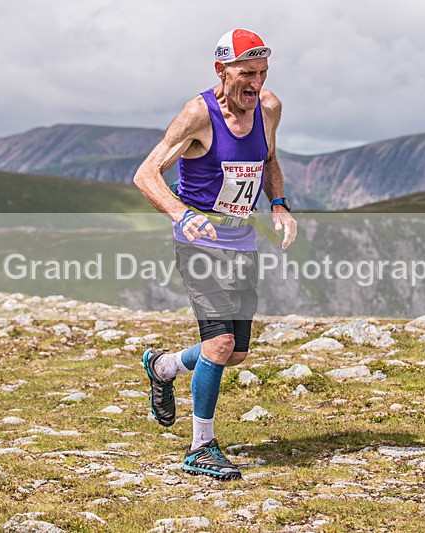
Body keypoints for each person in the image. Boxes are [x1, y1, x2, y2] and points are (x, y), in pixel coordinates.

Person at [133, 28, 296, 480]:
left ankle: (163, 367)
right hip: (199, 240)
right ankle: (200, 447)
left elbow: (269, 161)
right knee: (220, 343)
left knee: (235, 351)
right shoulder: (198, 114)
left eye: (262, 73)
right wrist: (180, 214)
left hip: (241, 240)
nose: (255, 84)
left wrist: (279, 204)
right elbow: (146, 175)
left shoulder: (269, 108)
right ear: (221, 71)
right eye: (247, 74)